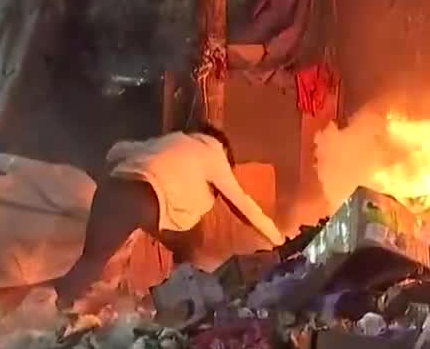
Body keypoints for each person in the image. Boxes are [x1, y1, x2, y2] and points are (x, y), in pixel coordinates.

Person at [56, 123, 286, 303]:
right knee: (189, 248)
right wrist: (278, 240)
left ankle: (49, 309)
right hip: (141, 198)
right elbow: (242, 204)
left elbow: (117, 150)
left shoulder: (173, 141)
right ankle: (53, 311)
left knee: (89, 263)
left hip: (110, 190)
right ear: (223, 149)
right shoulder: (214, 152)